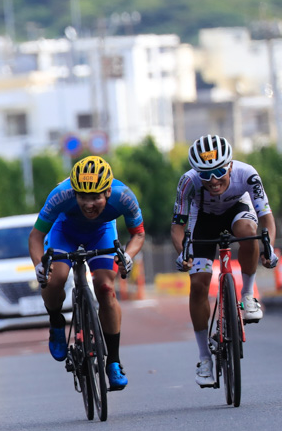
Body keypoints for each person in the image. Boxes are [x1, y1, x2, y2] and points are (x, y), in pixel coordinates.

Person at [27, 155, 145, 391]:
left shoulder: (124, 197)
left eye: (96, 198)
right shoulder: (62, 194)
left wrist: (128, 257)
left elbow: (139, 235)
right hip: (65, 233)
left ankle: (113, 362)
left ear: (108, 192)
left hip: (101, 233)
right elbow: (36, 236)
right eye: (82, 197)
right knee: (54, 279)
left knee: (106, 288)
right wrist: (40, 266)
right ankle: (56, 321)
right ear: (74, 192)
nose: (89, 204)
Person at [171, 135, 277, 387]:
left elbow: (266, 219)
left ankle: (248, 295)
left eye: (219, 171)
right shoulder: (188, 182)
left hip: (237, 211)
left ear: (230, 165)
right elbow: (177, 228)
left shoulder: (247, 174)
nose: (213, 180)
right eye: (205, 174)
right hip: (203, 221)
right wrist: (182, 253)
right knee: (198, 285)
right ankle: (204, 358)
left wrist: (269, 248)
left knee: (248, 233)